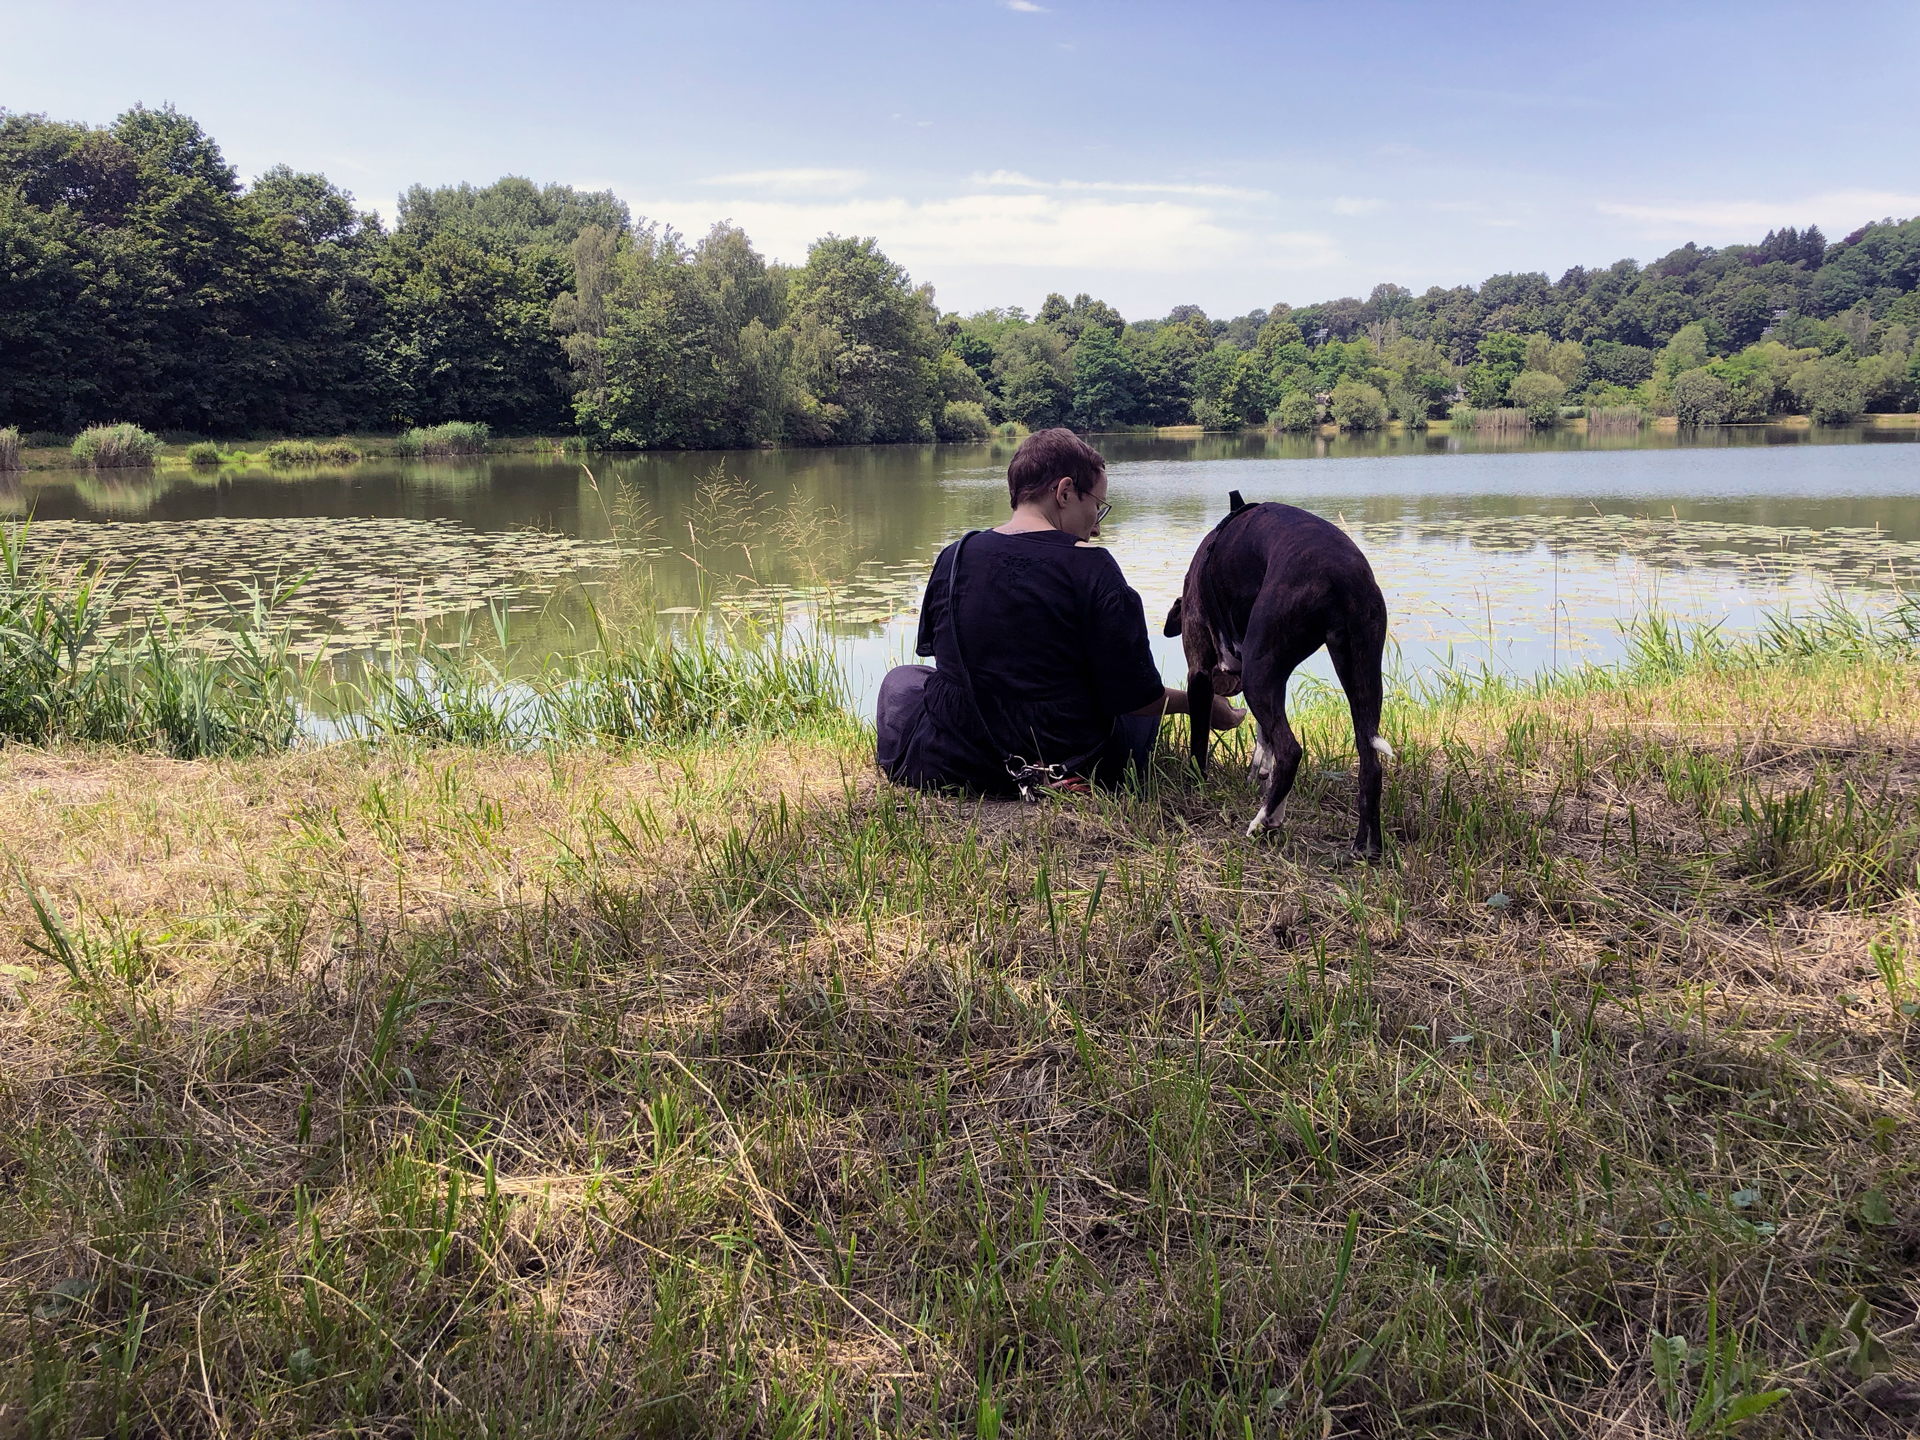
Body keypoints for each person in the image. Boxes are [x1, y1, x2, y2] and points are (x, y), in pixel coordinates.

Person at [876, 428, 1243, 796]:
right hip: (1067, 754)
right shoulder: (1092, 566)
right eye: (1097, 507)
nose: (1097, 527)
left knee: (903, 679)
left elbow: (946, 659)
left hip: (955, 754)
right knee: (1130, 707)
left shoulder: (953, 555)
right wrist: (1200, 704)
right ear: (1065, 492)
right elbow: (1138, 697)